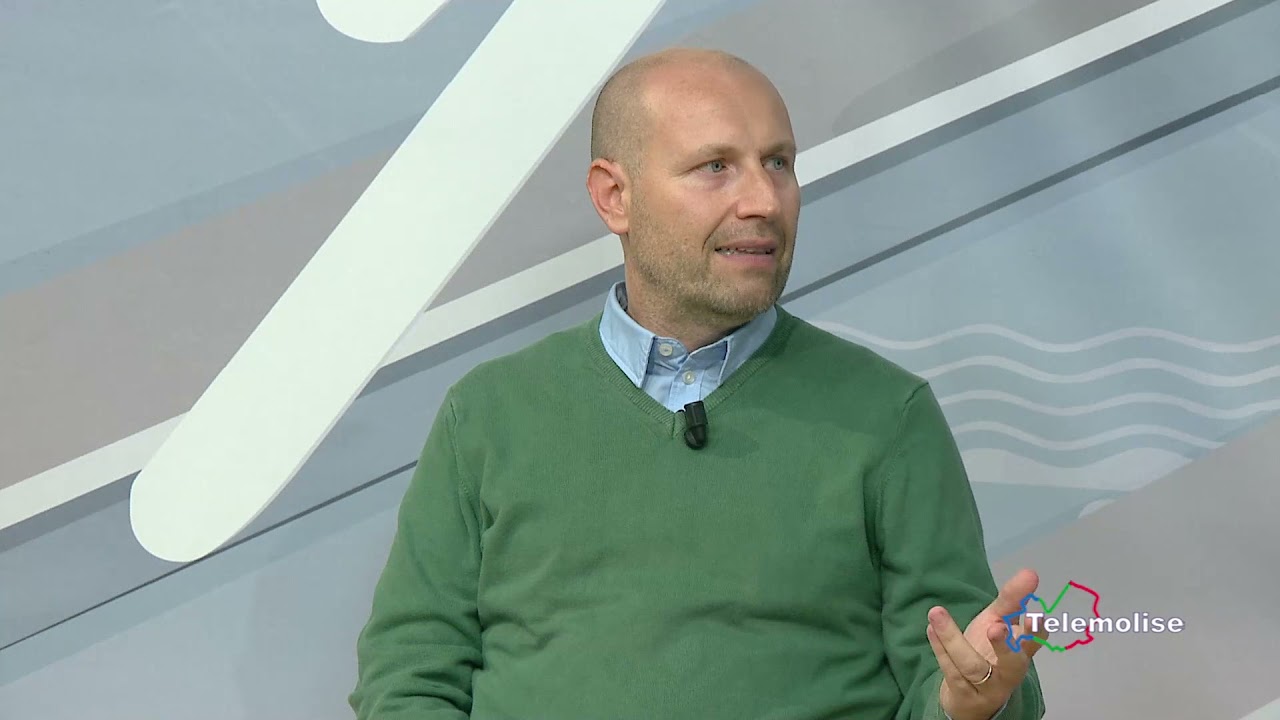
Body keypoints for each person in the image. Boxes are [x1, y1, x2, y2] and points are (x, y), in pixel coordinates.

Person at [349, 47, 1049, 720]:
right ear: (615, 196)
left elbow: (965, 672)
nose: (764, 200)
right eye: (716, 167)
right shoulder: (487, 414)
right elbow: (409, 674)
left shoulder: (887, 414)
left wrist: (974, 704)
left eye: (779, 163)